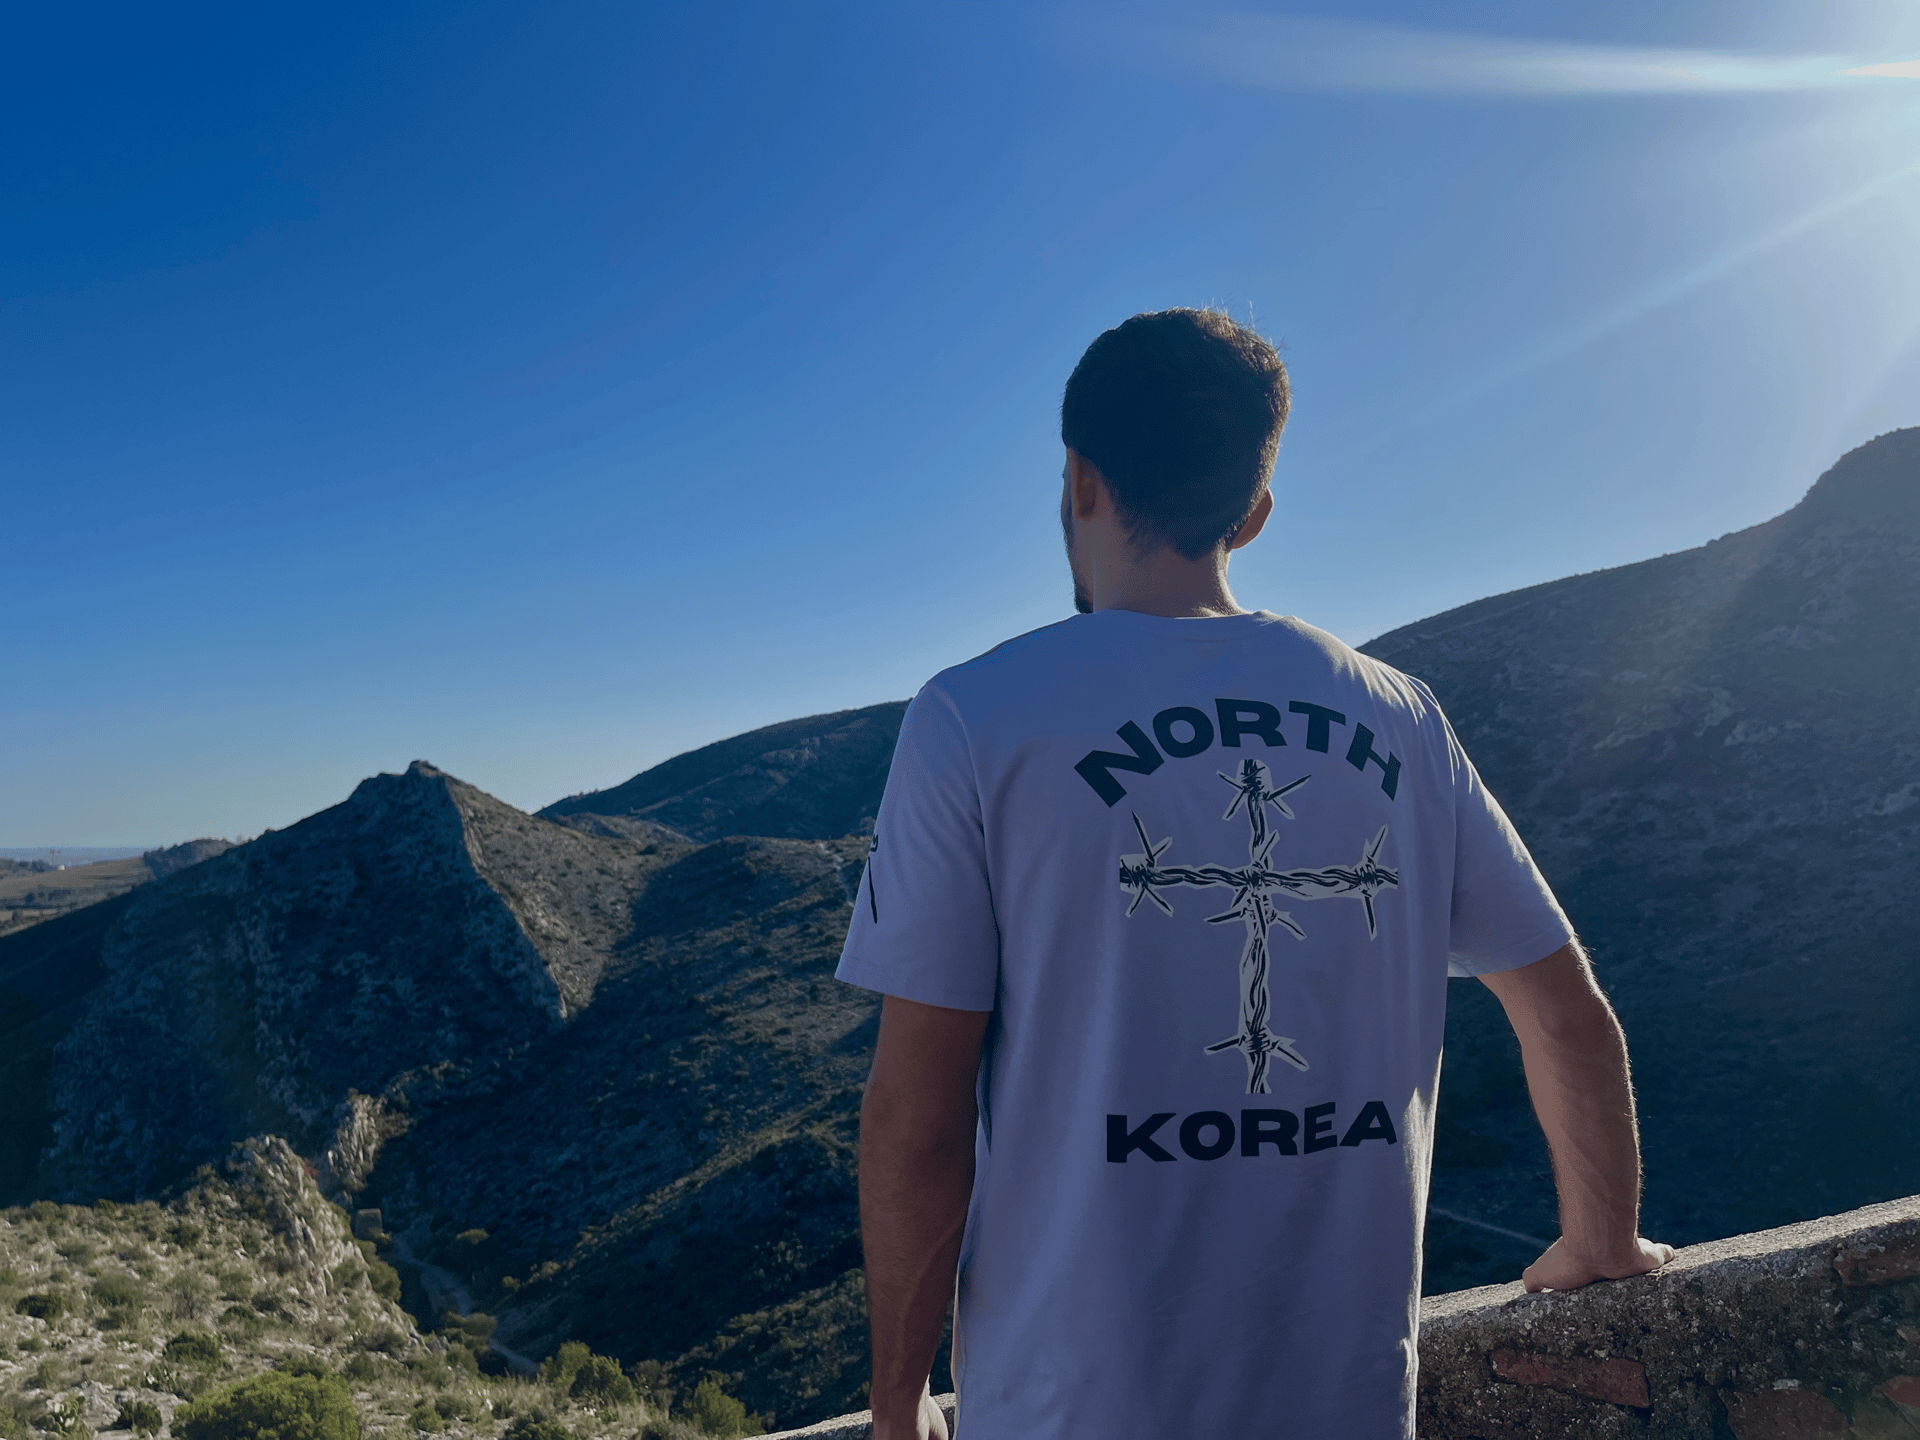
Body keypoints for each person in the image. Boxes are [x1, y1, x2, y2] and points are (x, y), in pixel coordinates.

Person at [835, 308, 1671, 1440]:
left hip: (1070, 1411)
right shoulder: (1399, 716)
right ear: (1255, 512)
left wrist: (897, 1405)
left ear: (1080, 478)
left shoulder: (977, 719)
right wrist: (1604, 1240)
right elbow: (1569, 1016)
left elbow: (917, 1122)